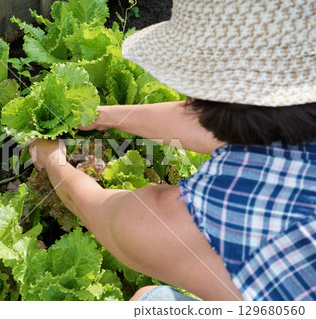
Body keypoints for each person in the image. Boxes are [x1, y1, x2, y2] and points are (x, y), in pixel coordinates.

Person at [29, 0, 315, 301]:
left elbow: (100, 211)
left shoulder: (227, 208)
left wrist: (51, 158)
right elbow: (219, 124)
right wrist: (105, 116)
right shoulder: (291, 118)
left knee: (150, 302)